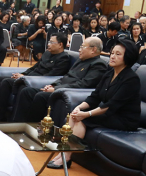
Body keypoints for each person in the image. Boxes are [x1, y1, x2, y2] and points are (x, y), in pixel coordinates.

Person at [48, 40, 141, 169]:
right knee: (73, 115)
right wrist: (79, 108)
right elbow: (95, 96)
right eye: (112, 53)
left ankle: (66, 157)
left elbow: (111, 105)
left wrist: (86, 114)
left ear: (128, 57)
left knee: (82, 121)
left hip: (124, 119)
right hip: (109, 114)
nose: (113, 56)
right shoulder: (109, 73)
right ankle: (62, 153)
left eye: (118, 54)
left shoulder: (131, 78)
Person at [13, 36, 108, 122]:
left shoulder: (98, 64)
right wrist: (53, 85)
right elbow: (66, 76)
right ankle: (18, 123)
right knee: (27, 91)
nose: (79, 50)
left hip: (67, 92)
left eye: (82, 47)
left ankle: (31, 126)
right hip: (59, 88)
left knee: (40, 96)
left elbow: (84, 84)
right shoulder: (81, 60)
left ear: (93, 49)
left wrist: (57, 89)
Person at [0, 33, 71, 122]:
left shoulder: (63, 58)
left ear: (60, 45)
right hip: (29, 77)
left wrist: (26, 78)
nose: (48, 44)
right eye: (49, 41)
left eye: (51, 42)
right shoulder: (47, 53)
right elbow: (34, 67)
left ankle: (1, 115)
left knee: (6, 82)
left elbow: (51, 75)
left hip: (36, 81)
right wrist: (23, 74)